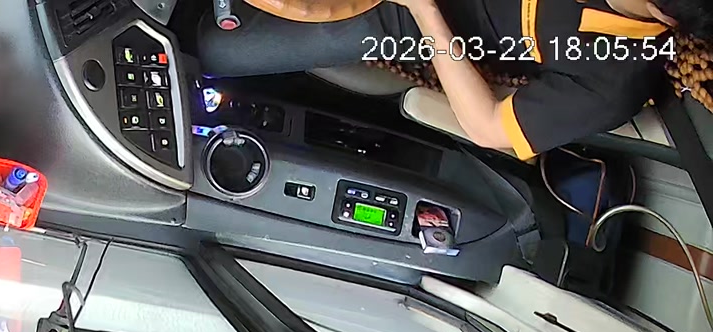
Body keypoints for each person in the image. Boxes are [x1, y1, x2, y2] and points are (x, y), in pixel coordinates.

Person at [199, 0, 713, 159]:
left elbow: (488, 127)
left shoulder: (614, 76)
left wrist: (424, 12)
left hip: (393, 18)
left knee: (203, 45)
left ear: (665, 16)